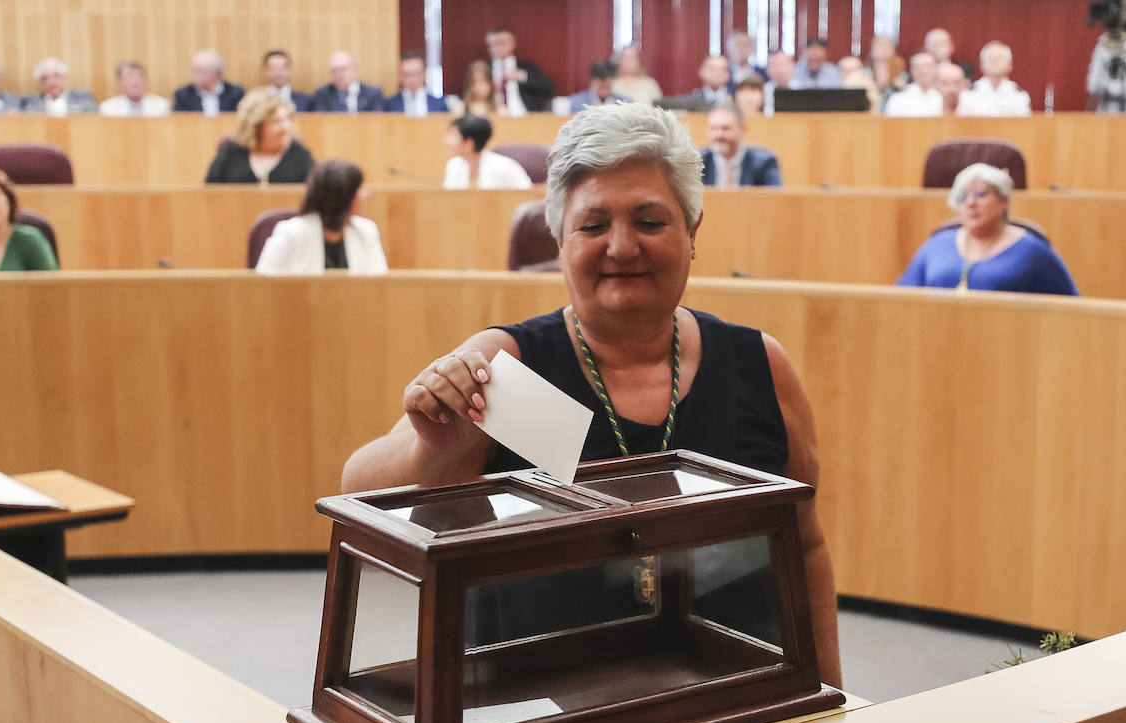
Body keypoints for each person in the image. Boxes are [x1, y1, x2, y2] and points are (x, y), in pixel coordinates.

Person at [340, 103, 842, 686]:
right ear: (559, 237)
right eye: (593, 225)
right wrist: (435, 450)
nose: (622, 247)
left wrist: (829, 693)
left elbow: (804, 549)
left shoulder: (761, 366)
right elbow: (357, 493)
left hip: (740, 704)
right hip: (545, 720)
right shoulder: (507, 366)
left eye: (650, 222)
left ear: (692, 231)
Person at [897, 163, 1077, 295]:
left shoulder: (1033, 252)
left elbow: (1069, 310)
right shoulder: (937, 244)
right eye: (962, 198)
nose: (971, 203)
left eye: (980, 194)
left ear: (1004, 201)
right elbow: (901, 300)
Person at [256, 160, 388, 276]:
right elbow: (263, 286)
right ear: (342, 197)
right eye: (358, 190)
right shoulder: (290, 233)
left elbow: (379, 285)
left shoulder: (366, 231)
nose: (364, 194)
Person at [203, 88, 314, 184]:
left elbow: (315, 196)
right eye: (276, 121)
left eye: (287, 119)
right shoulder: (230, 150)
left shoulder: (299, 152)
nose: (286, 127)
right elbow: (209, 194)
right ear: (256, 126)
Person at [701, 101, 782, 187]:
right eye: (713, 129)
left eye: (726, 128)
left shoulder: (765, 162)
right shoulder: (697, 164)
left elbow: (776, 199)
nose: (719, 135)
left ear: (743, 129)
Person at [441, 114, 532, 190]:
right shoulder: (454, 165)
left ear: (469, 143)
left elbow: (527, 196)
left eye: (454, 136)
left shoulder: (505, 168)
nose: (447, 141)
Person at [486, 27, 554, 114]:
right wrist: (487, 88)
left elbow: (549, 87)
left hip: (525, 116)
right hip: (494, 116)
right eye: (493, 44)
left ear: (513, 44)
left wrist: (523, 76)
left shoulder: (526, 66)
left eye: (502, 43)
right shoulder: (484, 69)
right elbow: (467, 95)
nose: (498, 47)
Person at [957, 42, 1031, 116]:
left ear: (1010, 65)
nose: (995, 62)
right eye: (991, 58)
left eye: (1000, 58)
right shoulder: (968, 94)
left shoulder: (1019, 95)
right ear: (982, 65)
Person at [174, 50, 244, 115]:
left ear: (215, 72)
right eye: (193, 70)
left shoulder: (235, 93)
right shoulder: (184, 95)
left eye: (198, 71)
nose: (194, 75)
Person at [311, 51, 384, 113]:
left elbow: (377, 120)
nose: (339, 74)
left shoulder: (373, 93)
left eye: (343, 69)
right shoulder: (323, 94)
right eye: (334, 71)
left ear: (354, 69)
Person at [20, 57, 97, 115]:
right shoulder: (31, 101)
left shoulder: (83, 96)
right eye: (45, 78)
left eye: (56, 76)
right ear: (40, 83)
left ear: (64, 77)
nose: (51, 82)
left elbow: (91, 113)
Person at [99, 61, 171, 117]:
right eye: (129, 77)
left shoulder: (162, 105)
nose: (134, 82)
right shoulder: (107, 108)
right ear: (119, 82)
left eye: (139, 77)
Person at [884, 52, 943, 117]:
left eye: (928, 66)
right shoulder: (898, 99)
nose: (924, 71)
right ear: (911, 70)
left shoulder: (944, 97)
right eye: (918, 68)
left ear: (937, 68)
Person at [762, 50, 794, 114]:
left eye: (784, 63)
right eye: (774, 65)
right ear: (767, 70)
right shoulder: (761, 92)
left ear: (792, 66)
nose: (780, 69)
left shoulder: (803, 88)